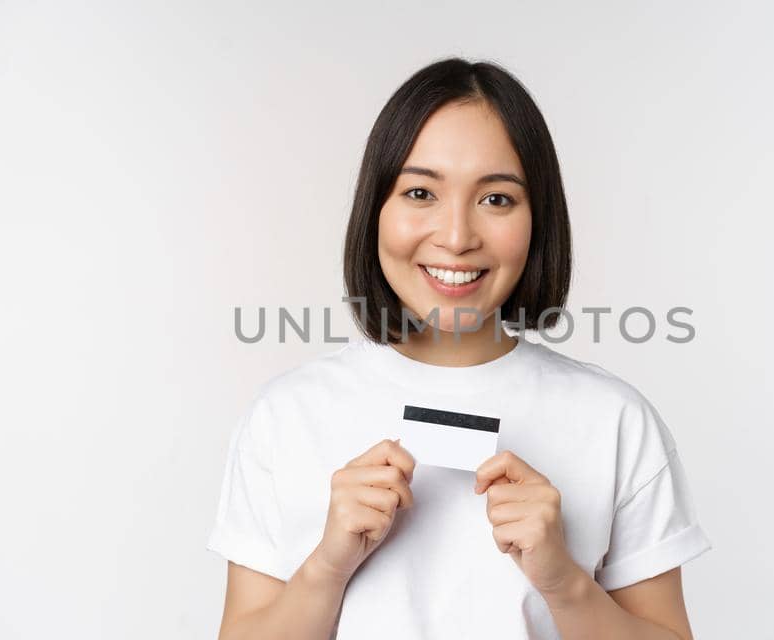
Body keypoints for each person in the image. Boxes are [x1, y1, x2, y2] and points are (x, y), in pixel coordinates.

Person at [207, 57, 711, 639]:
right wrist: (326, 567)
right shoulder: (286, 415)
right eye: (420, 192)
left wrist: (565, 584)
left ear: (537, 220)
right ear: (376, 210)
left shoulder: (615, 420)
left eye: (496, 199)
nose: (456, 237)